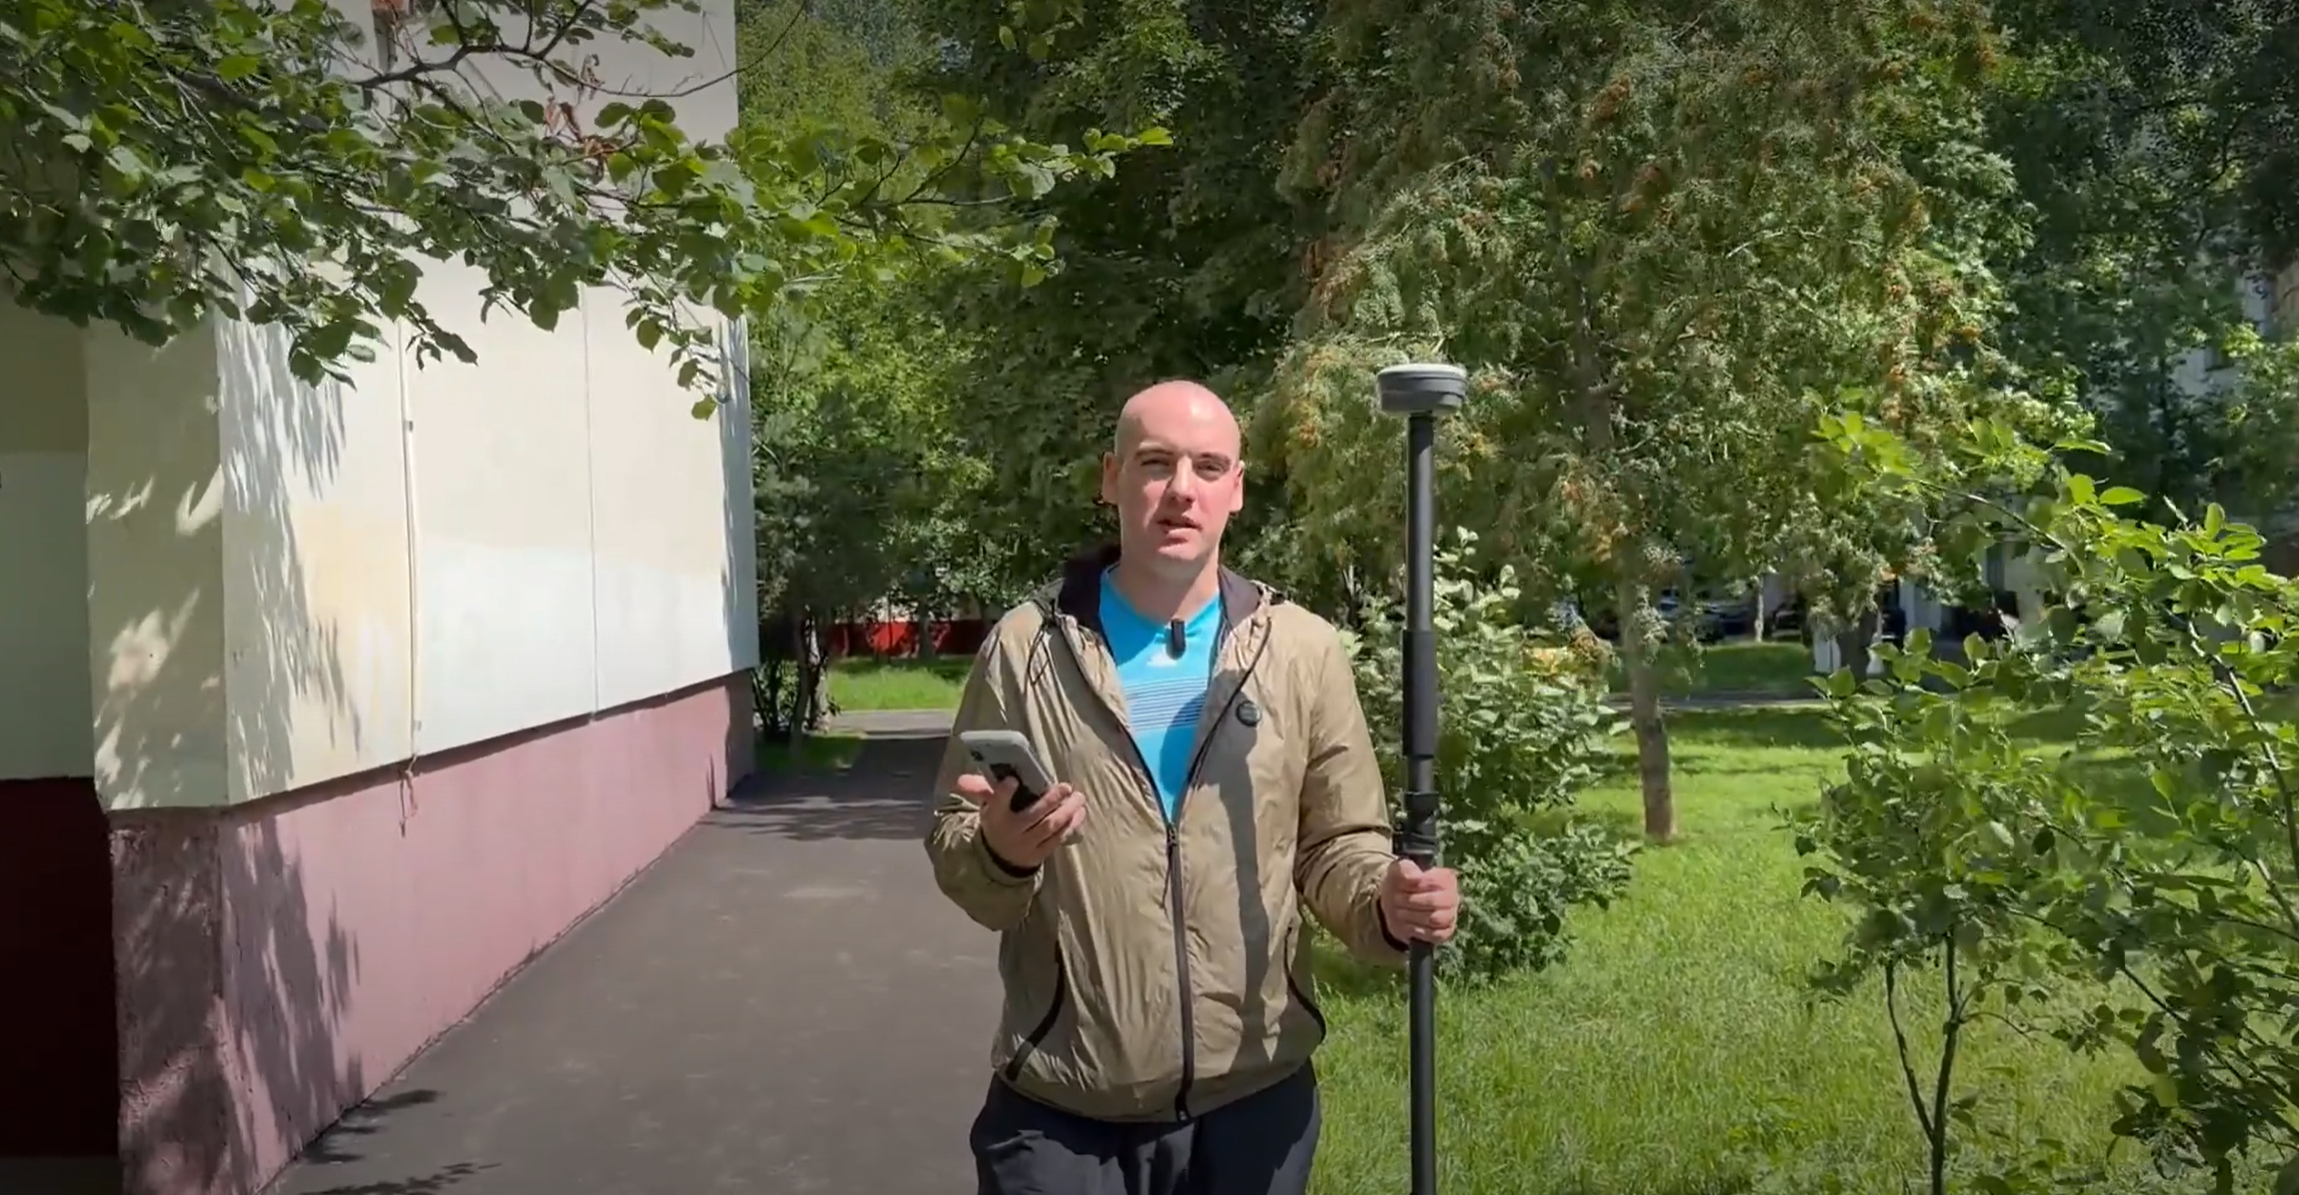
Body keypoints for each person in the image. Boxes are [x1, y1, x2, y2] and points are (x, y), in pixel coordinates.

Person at [925, 379, 1464, 1195]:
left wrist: (1385, 901)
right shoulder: (1026, 646)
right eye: (1155, 463)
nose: (1182, 488)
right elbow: (954, 839)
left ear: (1235, 488)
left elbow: (1338, 843)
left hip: (1254, 1105)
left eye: (1208, 466)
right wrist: (1001, 850)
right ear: (1111, 478)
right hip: (1064, 1113)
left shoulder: (1300, 649)